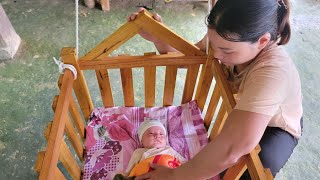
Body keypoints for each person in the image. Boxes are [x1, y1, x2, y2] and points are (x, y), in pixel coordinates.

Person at [128, 0, 303, 179]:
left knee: (248, 170)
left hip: (277, 126)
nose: (216, 55)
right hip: (247, 110)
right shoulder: (223, 35)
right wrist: (159, 38)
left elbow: (232, 148)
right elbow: (190, 58)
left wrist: (175, 175)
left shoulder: (273, 72)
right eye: (213, 45)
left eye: (227, 51)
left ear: (263, 41)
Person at [114, 120, 187, 180]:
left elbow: (184, 163)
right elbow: (130, 169)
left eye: (161, 134)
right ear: (142, 140)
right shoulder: (139, 152)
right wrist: (126, 176)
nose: (157, 136)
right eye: (151, 133)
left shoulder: (169, 150)